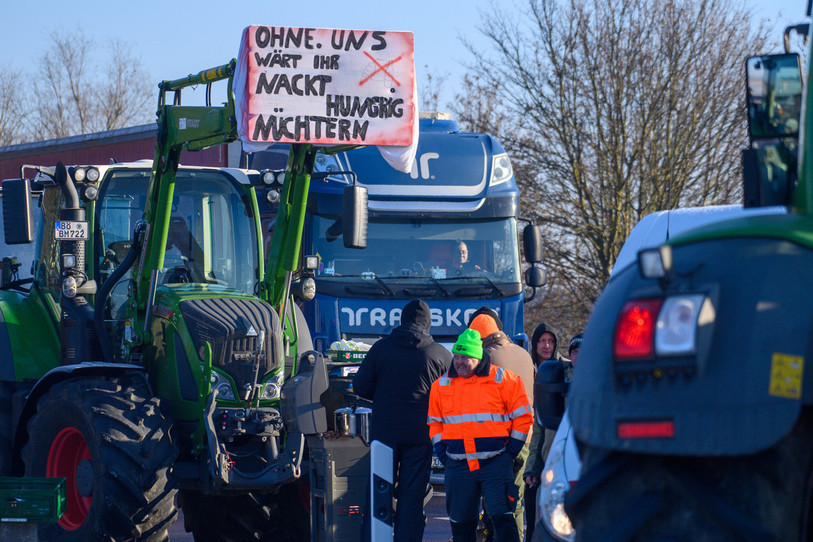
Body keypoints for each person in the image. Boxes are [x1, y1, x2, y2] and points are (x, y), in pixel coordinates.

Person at [353, 299, 452, 542]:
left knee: (379, 493)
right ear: (427, 323)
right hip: (420, 435)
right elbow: (450, 395)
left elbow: (360, 386)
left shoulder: (380, 349)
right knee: (412, 497)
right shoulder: (439, 354)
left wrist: (382, 396)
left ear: (402, 320)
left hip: (384, 433)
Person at [429, 328, 533, 542]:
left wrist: (510, 453)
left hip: (495, 462)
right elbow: (434, 422)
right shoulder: (441, 385)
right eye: (457, 356)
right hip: (458, 465)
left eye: (465, 357)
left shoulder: (505, 380)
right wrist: (443, 454)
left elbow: (523, 418)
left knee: (503, 520)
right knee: (461, 525)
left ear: (478, 358)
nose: (459, 362)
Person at [469, 312, 536, 541]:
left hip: (498, 442)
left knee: (497, 504)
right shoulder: (524, 354)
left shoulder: (486, 357)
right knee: (515, 501)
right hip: (525, 439)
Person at [523, 323, 569, 541]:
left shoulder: (565, 369)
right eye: (542, 341)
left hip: (551, 444)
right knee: (530, 506)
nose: (547, 346)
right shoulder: (526, 367)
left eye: (550, 341)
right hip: (527, 438)